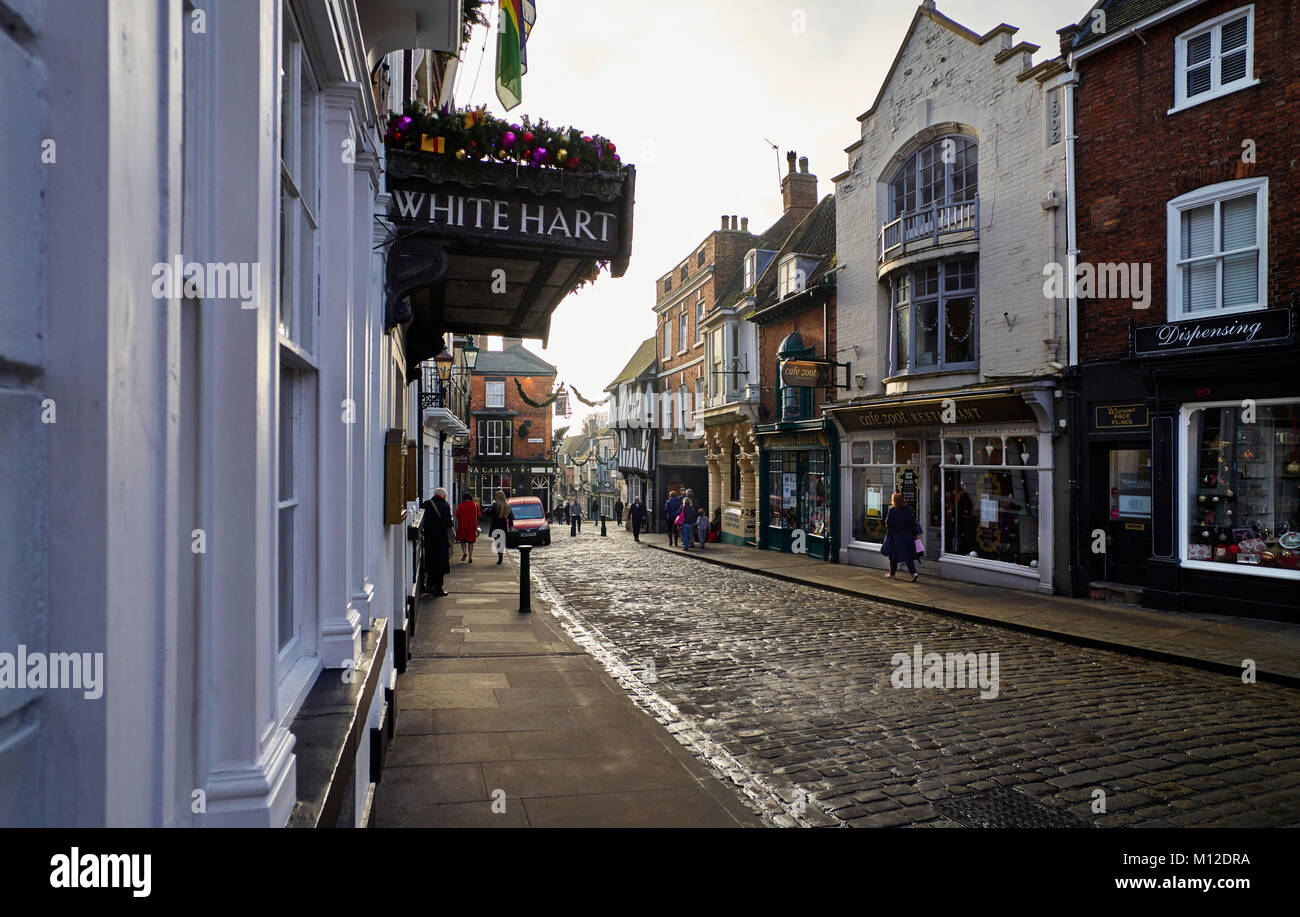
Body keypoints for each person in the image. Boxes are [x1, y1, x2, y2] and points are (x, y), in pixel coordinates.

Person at [420, 487, 453, 597]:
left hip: (429, 539)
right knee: (440, 564)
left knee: (430, 562)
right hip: (441, 540)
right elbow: (447, 523)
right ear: (443, 496)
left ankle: (429, 586)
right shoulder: (445, 506)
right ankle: (438, 588)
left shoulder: (426, 504)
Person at [881, 492, 920, 581]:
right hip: (907, 536)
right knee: (908, 556)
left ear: (894, 501)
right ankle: (914, 573)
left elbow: (888, 523)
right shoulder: (909, 510)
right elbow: (913, 524)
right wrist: (915, 535)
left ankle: (892, 575)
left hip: (895, 537)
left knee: (893, 556)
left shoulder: (892, 510)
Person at [454, 492, 481, 563]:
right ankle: (470, 557)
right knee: (470, 542)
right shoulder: (475, 505)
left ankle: (464, 553)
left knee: (463, 541)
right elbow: (479, 515)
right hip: (472, 527)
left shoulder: (461, 505)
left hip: (462, 526)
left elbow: (456, 516)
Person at [488, 490, 513, 565]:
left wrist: (486, 511)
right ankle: (501, 553)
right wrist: (511, 525)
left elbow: (491, 514)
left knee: (497, 542)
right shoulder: (507, 505)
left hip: (496, 524)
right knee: (502, 541)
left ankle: (500, 554)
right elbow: (511, 516)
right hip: (503, 524)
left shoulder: (495, 505)